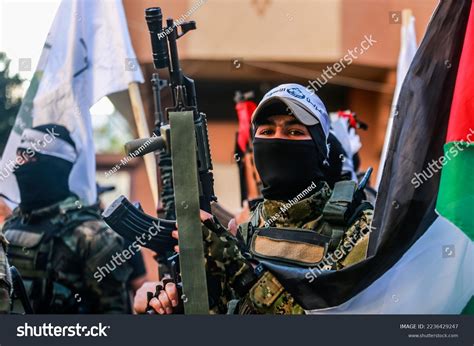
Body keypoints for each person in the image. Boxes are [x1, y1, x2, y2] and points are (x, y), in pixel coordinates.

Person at [134, 84, 373, 314]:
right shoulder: (244, 231)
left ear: (320, 149)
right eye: (267, 131)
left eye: (294, 131)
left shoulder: (358, 229)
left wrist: (241, 272)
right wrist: (175, 301)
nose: (278, 141)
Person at [3, 124, 131, 313]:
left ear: (54, 167)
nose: (19, 166)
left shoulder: (92, 235)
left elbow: (115, 315)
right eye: (19, 156)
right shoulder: (11, 225)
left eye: (29, 157)